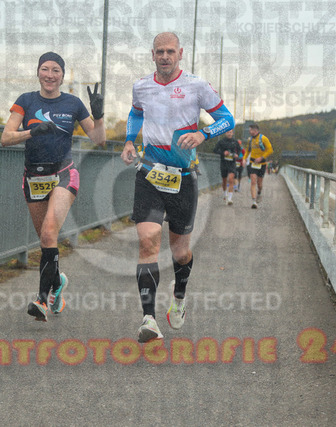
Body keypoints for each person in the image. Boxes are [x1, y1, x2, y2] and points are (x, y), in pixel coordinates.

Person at [120, 32, 235, 342]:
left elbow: (227, 119)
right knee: (147, 243)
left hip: (183, 177)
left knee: (180, 251)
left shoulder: (197, 86)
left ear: (180, 53)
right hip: (149, 174)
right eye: (160, 51)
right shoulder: (141, 86)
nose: (165, 56)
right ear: (152, 54)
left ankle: (180, 296)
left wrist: (203, 135)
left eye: (170, 51)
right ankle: (148, 319)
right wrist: (130, 140)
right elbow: (136, 112)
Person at [0, 52, 106, 321]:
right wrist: (31, 132)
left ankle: (41, 300)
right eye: (45, 69)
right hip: (33, 178)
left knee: (49, 233)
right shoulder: (25, 101)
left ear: (62, 75)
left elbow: (99, 139)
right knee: (46, 241)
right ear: (38, 72)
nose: (50, 75)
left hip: (63, 174)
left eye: (55, 70)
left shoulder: (73, 103)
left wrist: (99, 115)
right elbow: (5, 138)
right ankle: (57, 283)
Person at [244, 123, 273, 209]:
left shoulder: (263, 138)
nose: (249, 132)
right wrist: (244, 158)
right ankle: (254, 201)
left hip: (262, 164)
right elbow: (247, 150)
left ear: (255, 130)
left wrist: (262, 157)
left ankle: (259, 192)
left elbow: (270, 150)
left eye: (250, 130)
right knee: (253, 181)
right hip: (253, 163)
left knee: (259, 184)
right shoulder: (250, 140)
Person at [213, 130, 241, 205]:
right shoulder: (221, 141)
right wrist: (223, 153)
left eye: (231, 132)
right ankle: (225, 193)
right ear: (225, 133)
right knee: (224, 180)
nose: (229, 134)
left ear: (233, 133)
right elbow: (215, 150)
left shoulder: (235, 142)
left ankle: (229, 199)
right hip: (224, 163)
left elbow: (239, 150)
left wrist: (237, 154)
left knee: (231, 179)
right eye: (228, 132)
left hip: (232, 163)